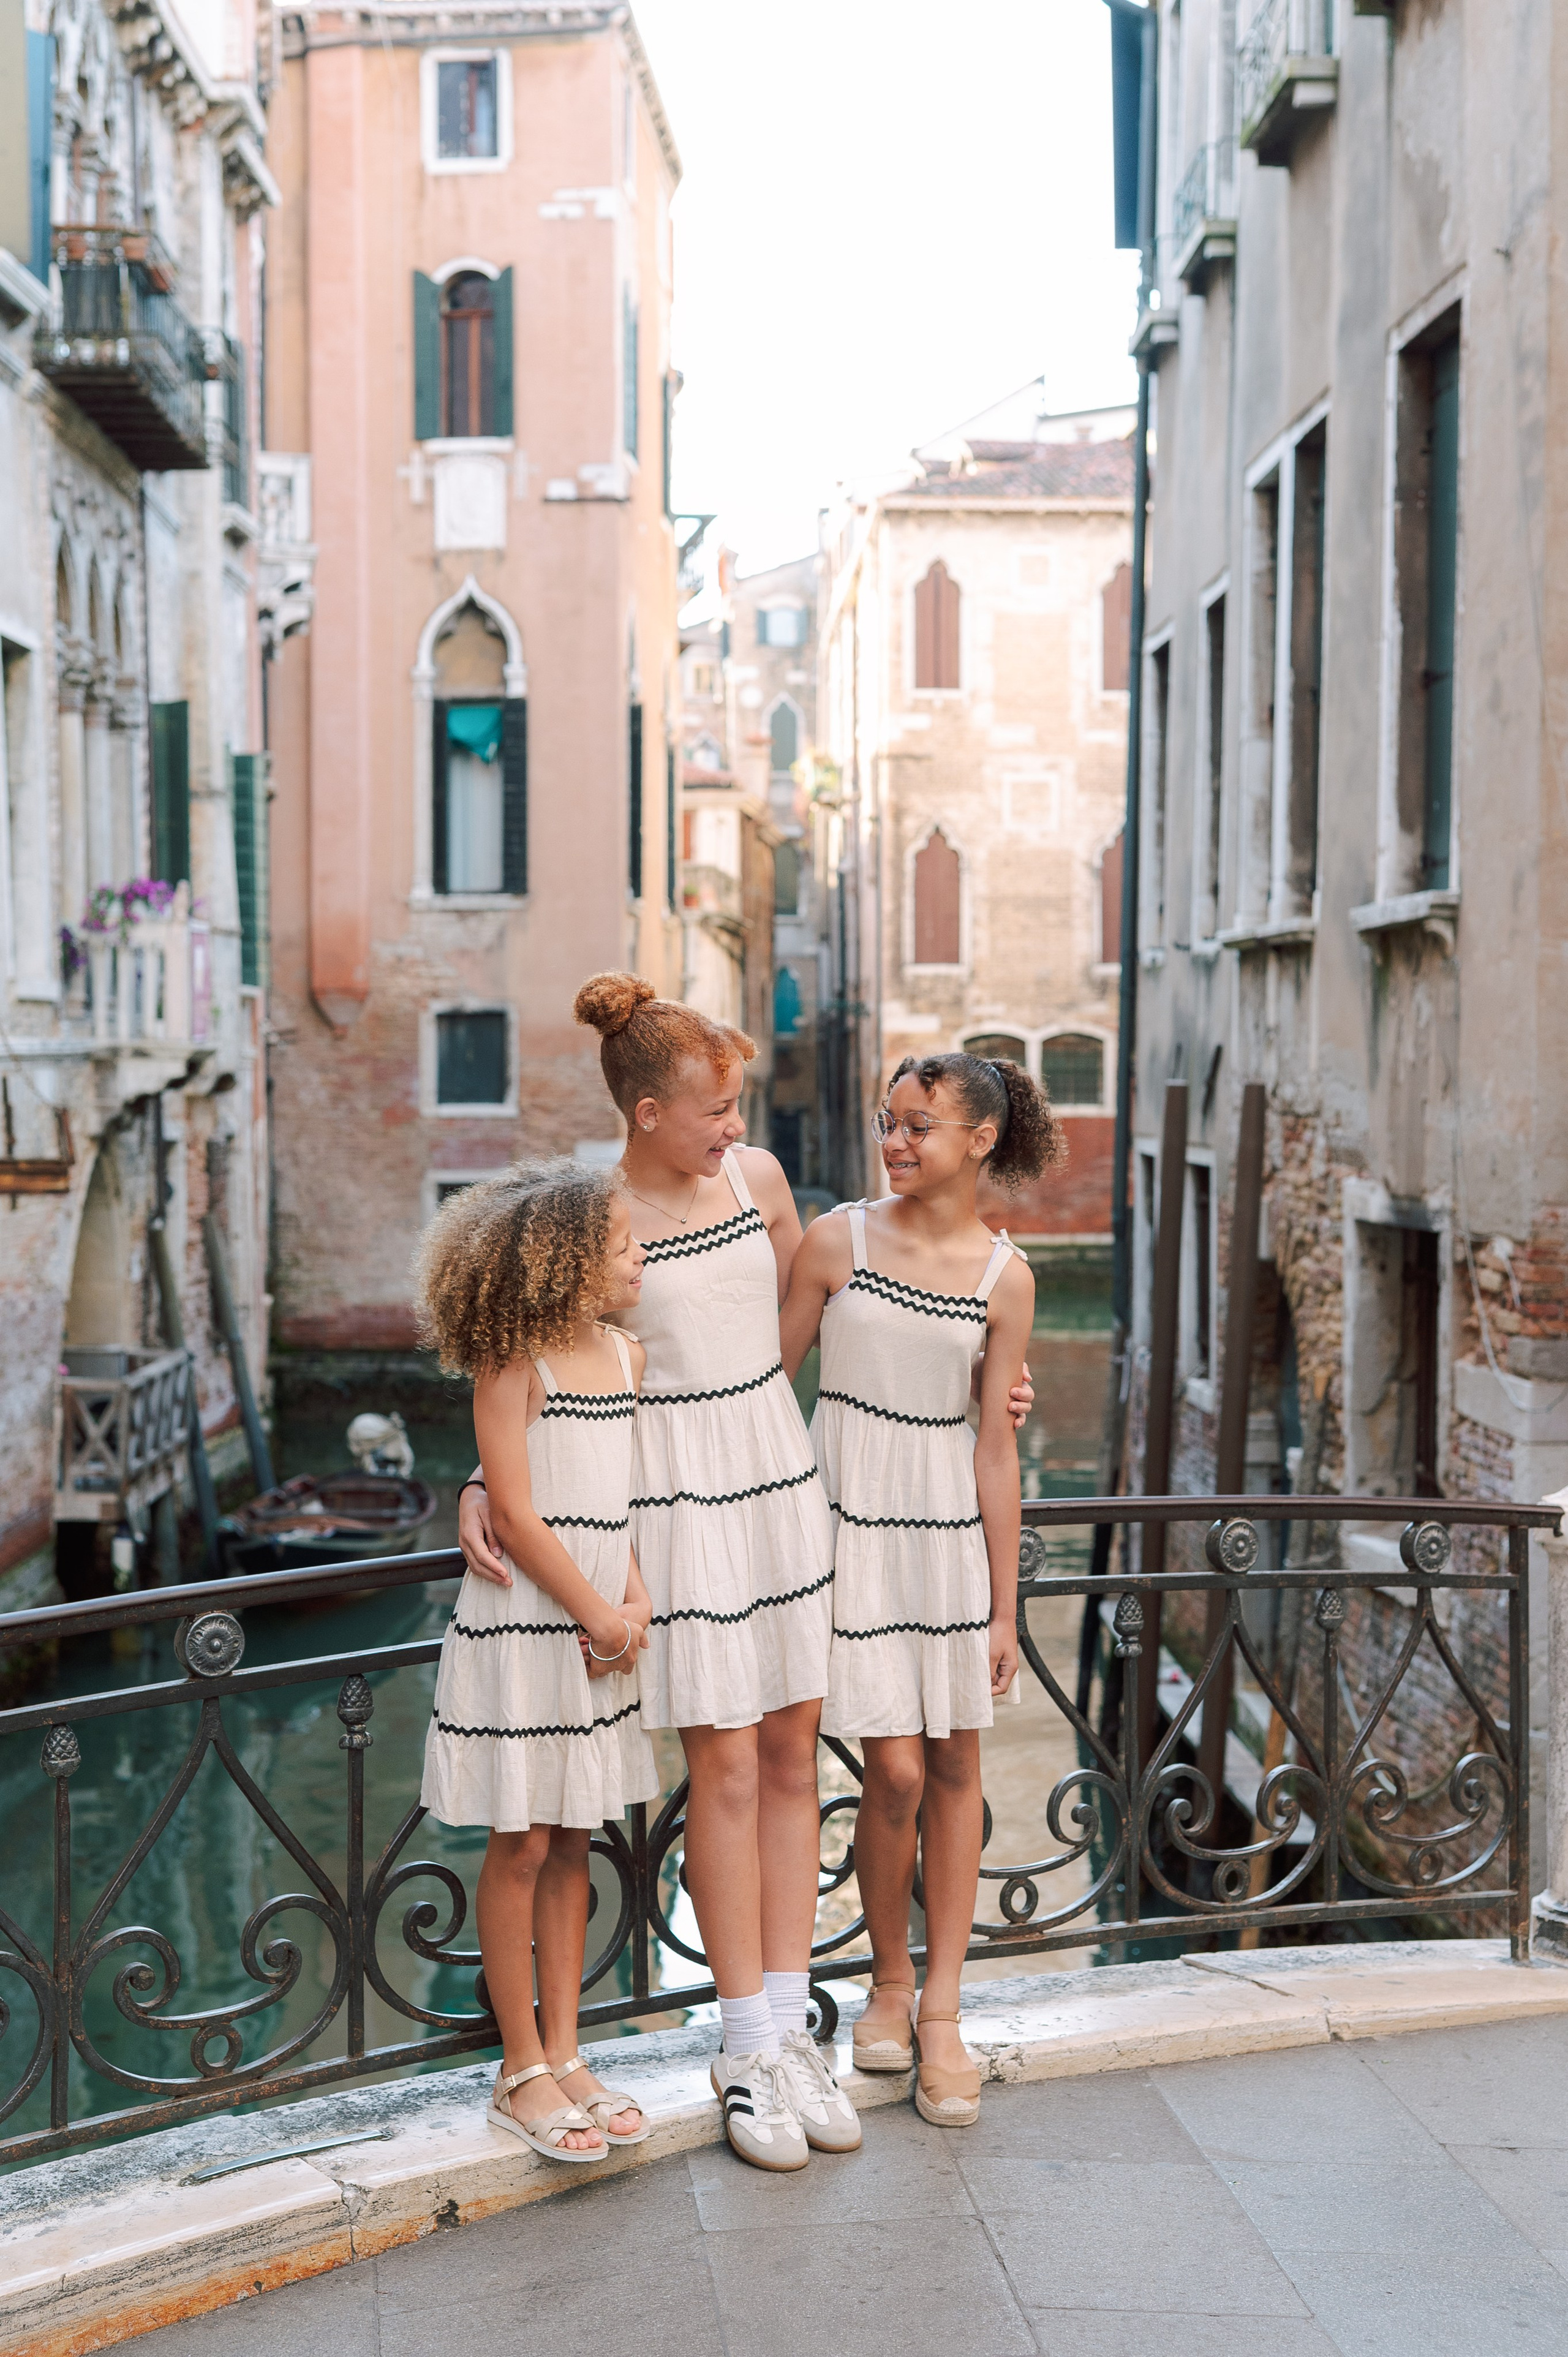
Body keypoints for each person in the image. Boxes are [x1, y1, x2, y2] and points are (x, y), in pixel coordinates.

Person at [456, 978, 1038, 2170]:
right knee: (720, 1766)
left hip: (782, 1477)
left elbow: (817, 1319)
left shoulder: (760, 1181)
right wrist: (482, 1477)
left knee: (789, 1757)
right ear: (649, 1112)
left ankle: (786, 2031)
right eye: (716, 1108)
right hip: (669, 1495)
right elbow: (541, 1359)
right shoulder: (588, 1213)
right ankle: (741, 2047)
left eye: (737, 1107)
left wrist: (991, 1380)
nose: (736, 1125)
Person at [778, 1051, 1061, 2129]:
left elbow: (996, 1447)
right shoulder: (836, 1240)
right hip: (846, 1522)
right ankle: (887, 1980)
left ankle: (940, 2008)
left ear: (980, 1140)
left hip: (947, 1534)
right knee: (891, 1770)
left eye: (917, 1126)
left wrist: (1004, 1606)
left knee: (954, 1766)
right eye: (887, 1123)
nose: (894, 1143)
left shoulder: (1007, 1278)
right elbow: (763, 1385)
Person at [417, 1160, 659, 2164]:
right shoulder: (513, 1361)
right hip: (528, 1626)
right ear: (566, 1262)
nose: (640, 1258)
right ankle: (519, 2070)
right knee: (520, 1841)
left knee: (573, 1841)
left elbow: (620, 1505)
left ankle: (567, 2050)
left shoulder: (629, 1357)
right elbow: (514, 1513)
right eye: (623, 1245)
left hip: (598, 1632)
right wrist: (600, 1614)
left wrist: (633, 1604)